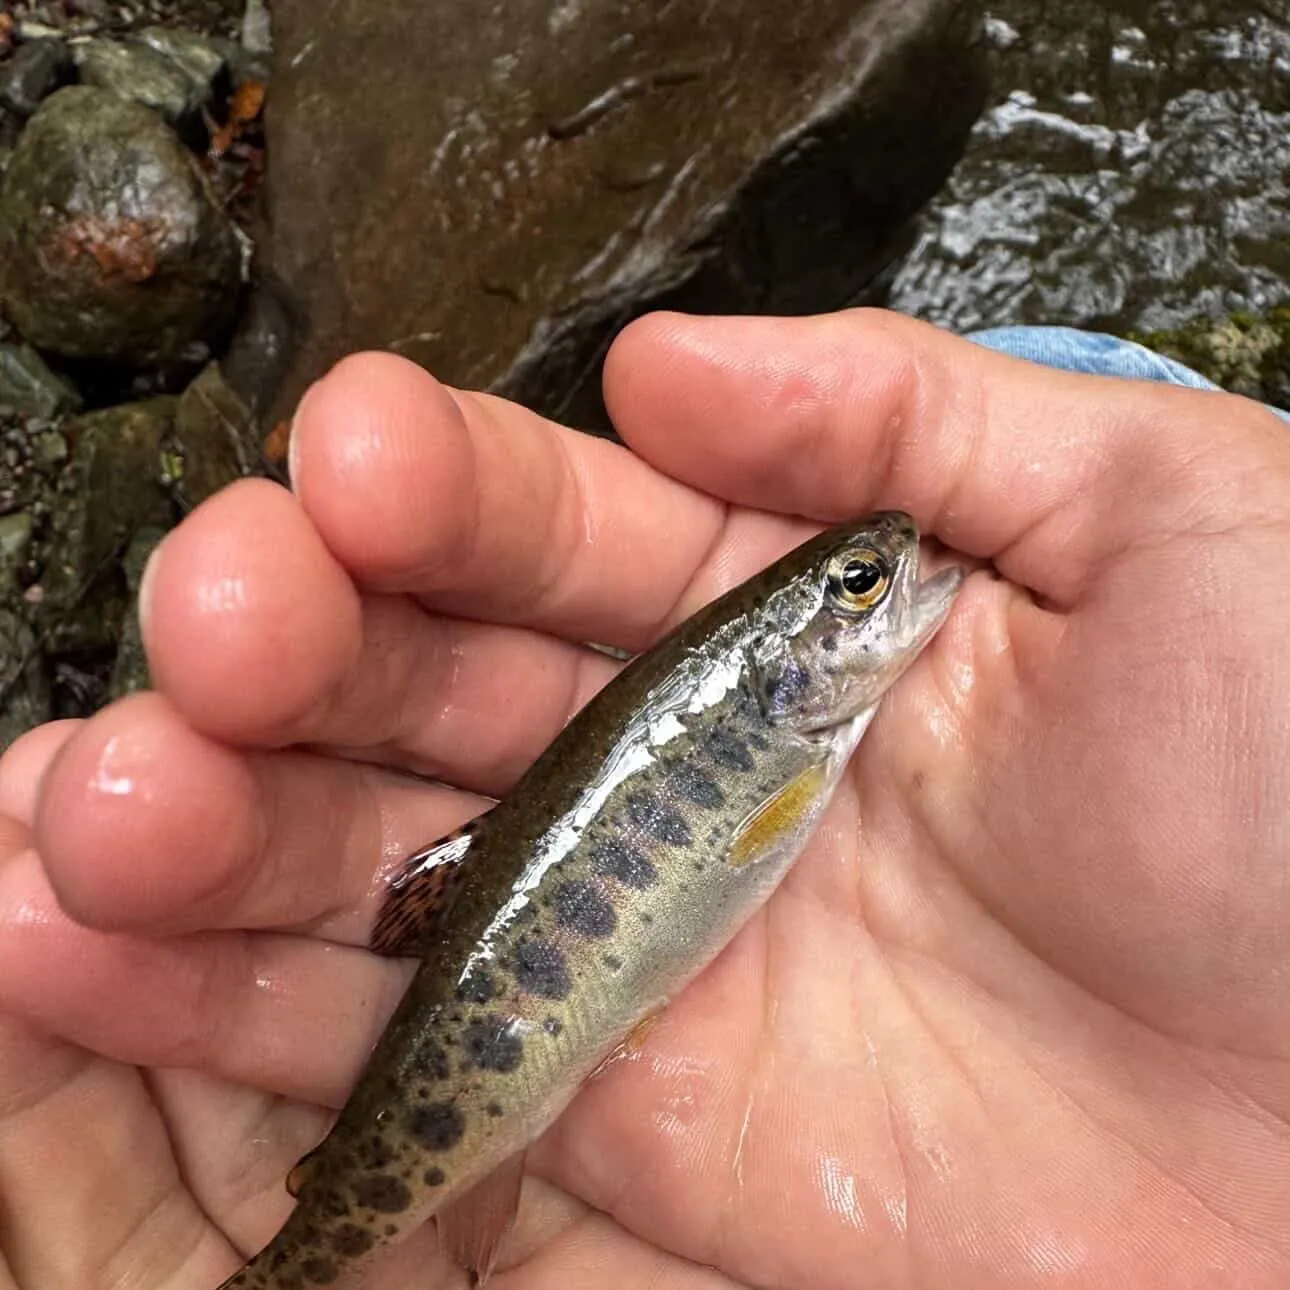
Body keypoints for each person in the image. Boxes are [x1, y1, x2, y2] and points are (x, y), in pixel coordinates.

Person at [0, 308, 1288, 1289]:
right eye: (856, 590)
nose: (893, 577)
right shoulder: (787, 737)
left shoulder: (802, 723)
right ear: (788, 664)